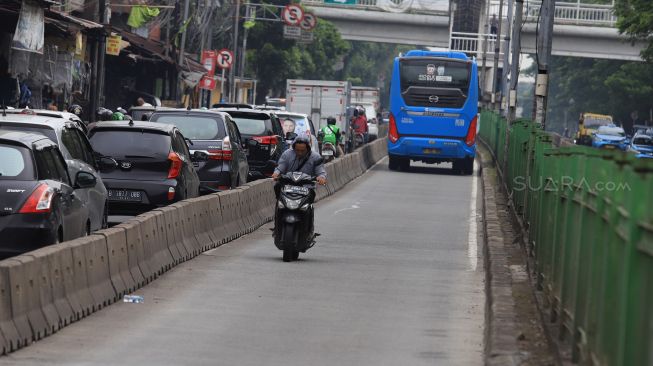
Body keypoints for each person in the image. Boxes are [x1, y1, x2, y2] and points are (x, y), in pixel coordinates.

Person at [272, 135, 327, 201]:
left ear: (308, 148)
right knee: (277, 186)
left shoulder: (316, 157)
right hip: (288, 184)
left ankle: (308, 209)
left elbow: (321, 172)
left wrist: (321, 178)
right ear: (294, 147)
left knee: (312, 195)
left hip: (306, 186)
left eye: (302, 151)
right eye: (297, 150)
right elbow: (280, 168)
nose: (300, 153)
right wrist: (276, 173)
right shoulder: (287, 154)